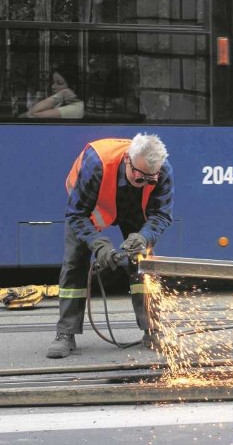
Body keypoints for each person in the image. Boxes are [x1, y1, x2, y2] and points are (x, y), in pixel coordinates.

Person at [47, 133, 174, 359]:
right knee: (75, 262)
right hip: (92, 205)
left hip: (133, 208)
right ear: (128, 160)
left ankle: (152, 328)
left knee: (144, 263)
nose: (144, 183)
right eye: (139, 178)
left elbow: (161, 216)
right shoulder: (97, 163)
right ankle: (65, 333)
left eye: (150, 180)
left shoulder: (162, 170)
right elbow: (76, 215)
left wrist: (144, 237)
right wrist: (98, 244)